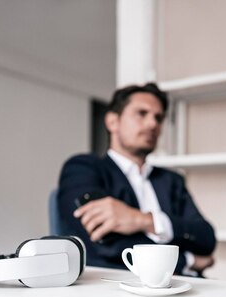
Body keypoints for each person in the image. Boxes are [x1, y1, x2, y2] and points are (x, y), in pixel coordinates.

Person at [57, 83, 216, 276]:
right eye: (142, 113)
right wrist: (188, 261)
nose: (153, 124)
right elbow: (104, 244)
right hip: (116, 286)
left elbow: (206, 238)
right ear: (112, 122)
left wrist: (142, 220)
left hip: (185, 286)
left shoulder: (172, 180)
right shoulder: (84, 168)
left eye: (158, 118)